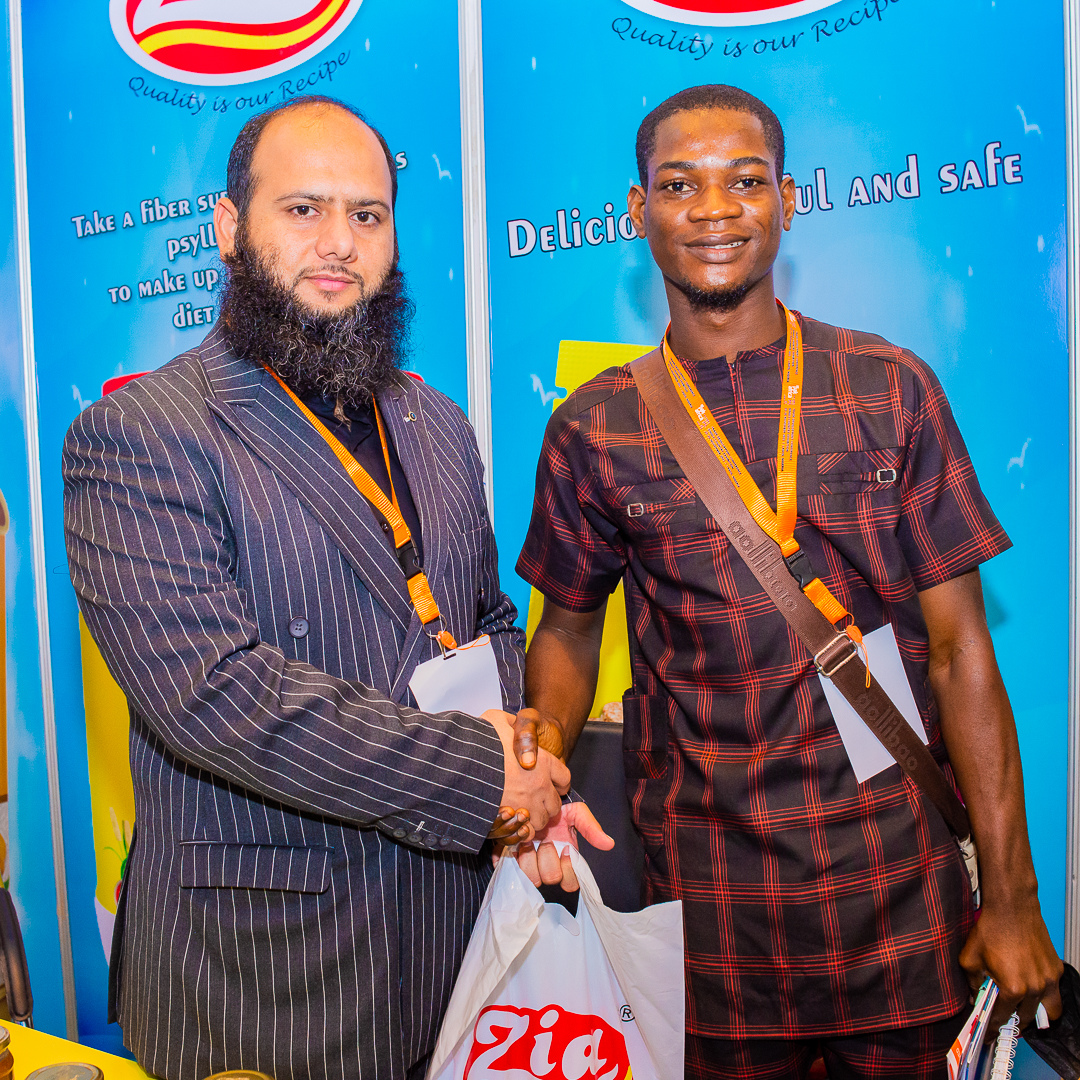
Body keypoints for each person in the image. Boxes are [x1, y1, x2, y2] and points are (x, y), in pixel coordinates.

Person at [513, 84, 1063, 1078]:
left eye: (745, 181)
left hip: (899, 893)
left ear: (789, 200)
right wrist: (537, 766)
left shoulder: (890, 387)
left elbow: (960, 652)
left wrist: (1015, 897)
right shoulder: (593, 427)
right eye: (680, 185)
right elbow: (564, 631)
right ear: (637, 210)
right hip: (710, 913)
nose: (714, 210)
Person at [63, 95, 598, 1080]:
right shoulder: (142, 435)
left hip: (457, 948)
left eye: (367, 214)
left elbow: (483, 622)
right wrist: (485, 781)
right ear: (229, 227)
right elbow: (215, 697)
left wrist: (526, 780)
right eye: (303, 210)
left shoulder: (435, 424)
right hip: (267, 982)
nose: (339, 243)